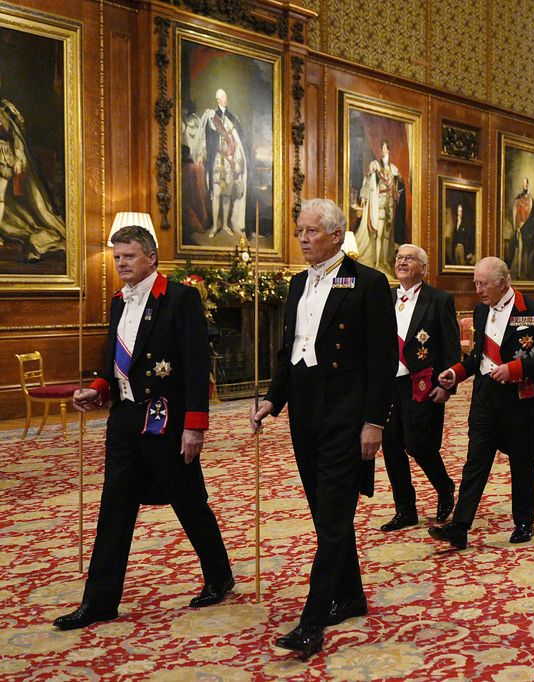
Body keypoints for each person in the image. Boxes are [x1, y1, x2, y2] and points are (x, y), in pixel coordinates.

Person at [54, 225, 233, 631]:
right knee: (114, 509)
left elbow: (196, 363)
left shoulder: (180, 298)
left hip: (166, 420)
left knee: (189, 502)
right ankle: (99, 601)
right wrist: (98, 388)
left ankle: (219, 574)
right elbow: (117, 359)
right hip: (124, 420)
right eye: (117, 257)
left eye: (129, 256)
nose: (121, 264)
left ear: (151, 257)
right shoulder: (118, 301)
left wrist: (195, 426)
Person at [250, 198, 396, 659]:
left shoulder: (368, 283)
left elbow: (383, 360)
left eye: (312, 231)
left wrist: (375, 421)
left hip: (347, 414)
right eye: (299, 231)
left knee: (333, 517)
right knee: (324, 513)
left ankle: (312, 623)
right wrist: (273, 399)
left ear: (336, 235)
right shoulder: (297, 283)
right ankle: (351, 596)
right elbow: (289, 347)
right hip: (305, 411)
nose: (303, 239)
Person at [430, 257, 534, 549]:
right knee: (475, 461)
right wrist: (455, 373)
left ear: (502, 283)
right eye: (476, 283)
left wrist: (514, 369)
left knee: (521, 462)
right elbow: (479, 358)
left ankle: (524, 522)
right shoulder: (480, 312)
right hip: (485, 398)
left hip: (520, 398)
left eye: (483, 284)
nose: (478, 289)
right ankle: (460, 526)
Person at [379, 244, 460, 532]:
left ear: (423, 268)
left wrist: (449, 386)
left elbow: (451, 346)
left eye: (409, 258)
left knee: (418, 444)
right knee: (390, 446)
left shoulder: (438, 299)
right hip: (388, 384)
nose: (402, 262)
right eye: (399, 258)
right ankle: (405, 509)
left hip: (422, 384)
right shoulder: (384, 297)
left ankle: (444, 485)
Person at [0, 85, 66, 262]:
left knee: (0, 197)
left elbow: (17, 139)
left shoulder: (6, 110)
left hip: (3, 159)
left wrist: (19, 160)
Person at [199, 89, 246, 240]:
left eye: (226, 96)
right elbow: (207, 139)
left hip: (229, 161)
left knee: (227, 195)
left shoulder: (233, 118)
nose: (226, 99)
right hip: (217, 160)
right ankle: (215, 226)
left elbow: (238, 142)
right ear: (218, 99)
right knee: (217, 193)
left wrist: (236, 160)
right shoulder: (212, 116)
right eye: (223, 97)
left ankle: (225, 224)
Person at [356, 141, 406, 272]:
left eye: (385, 147)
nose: (383, 150)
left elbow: (400, 188)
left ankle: (385, 261)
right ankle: (377, 262)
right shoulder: (375, 165)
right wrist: (365, 197)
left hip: (390, 206)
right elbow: (368, 182)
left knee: (387, 236)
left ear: (388, 150)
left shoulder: (394, 169)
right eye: (381, 147)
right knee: (378, 234)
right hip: (379, 204)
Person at [509, 178, 534, 281]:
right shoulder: (519, 199)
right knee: (520, 249)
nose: (525, 186)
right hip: (520, 228)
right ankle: (518, 272)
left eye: (526, 184)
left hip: (528, 228)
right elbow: (516, 213)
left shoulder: (531, 200)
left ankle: (526, 270)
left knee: (527, 250)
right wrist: (517, 227)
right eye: (523, 184)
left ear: (528, 185)